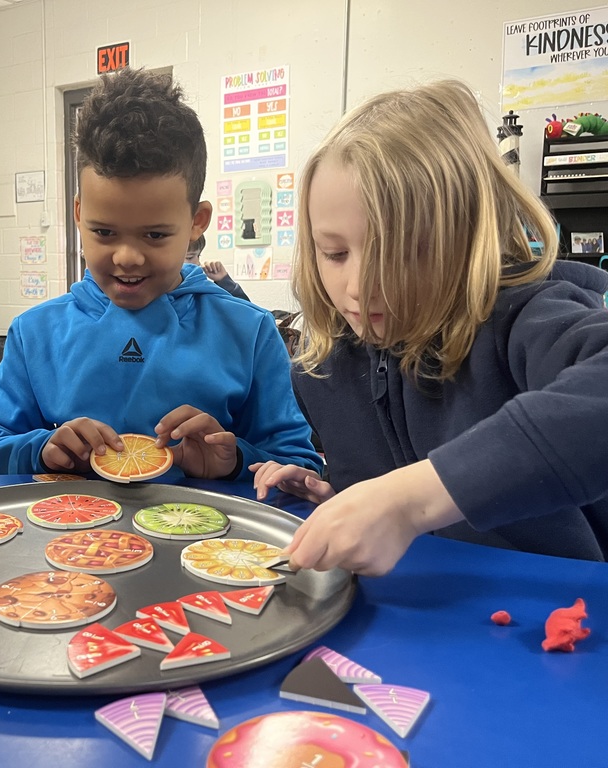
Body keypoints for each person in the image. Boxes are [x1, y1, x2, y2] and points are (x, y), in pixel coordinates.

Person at [252, 79, 608, 575]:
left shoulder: (528, 318)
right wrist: (346, 502)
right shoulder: (330, 365)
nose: (358, 286)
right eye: (334, 253)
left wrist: (410, 500)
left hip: (559, 626)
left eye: (398, 252)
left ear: (467, 236)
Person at [0, 68, 320, 481]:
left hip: (205, 542)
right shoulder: (35, 333)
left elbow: (301, 467)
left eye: (154, 234)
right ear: (79, 215)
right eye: (104, 232)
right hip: (69, 542)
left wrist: (235, 460)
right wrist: (42, 449)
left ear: (196, 221)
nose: (128, 257)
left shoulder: (249, 331)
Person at [185, 234, 250, 300]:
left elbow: (245, 308)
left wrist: (223, 280)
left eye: (198, 256)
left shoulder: (200, 287)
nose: (198, 263)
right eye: (189, 257)